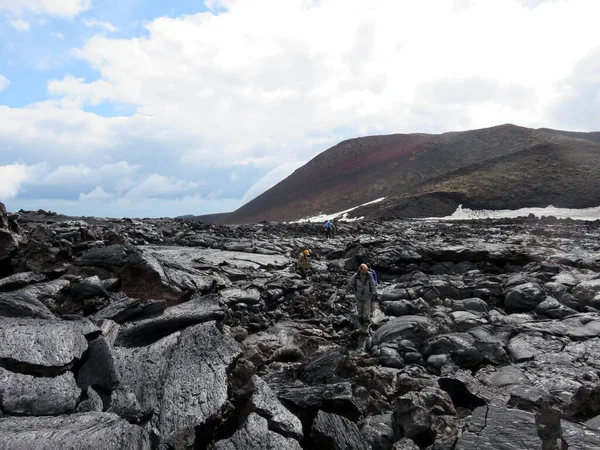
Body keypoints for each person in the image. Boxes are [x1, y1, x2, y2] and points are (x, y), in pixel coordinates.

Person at [349, 263, 376, 331]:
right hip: (358, 296)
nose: (366, 271)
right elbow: (351, 283)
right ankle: (360, 322)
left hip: (367, 296)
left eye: (366, 270)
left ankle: (366, 324)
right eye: (365, 270)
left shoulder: (369, 276)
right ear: (361, 270)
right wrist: (352, 288)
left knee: (366, 311)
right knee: (359, 310)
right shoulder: (355, 276)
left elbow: (372, 285)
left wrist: (374, 293)